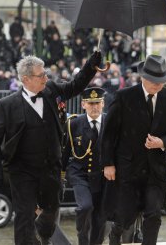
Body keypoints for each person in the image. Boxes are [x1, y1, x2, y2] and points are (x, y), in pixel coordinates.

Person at [0, 51, 102, 245]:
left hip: (51, 169)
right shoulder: (6, 105)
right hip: (21, 171)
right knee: (23, 218)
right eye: (41, 75)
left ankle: (42, 236)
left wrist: (91, 65)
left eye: (45, 74)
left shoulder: (51, 91)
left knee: (50, 215)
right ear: (26, 79)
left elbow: (75, 85)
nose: (46, 78)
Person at [100, 54, 166, 245]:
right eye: (154, 81)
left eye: (162, 81)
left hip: (156, 168)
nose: (158, 85)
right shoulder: (123, 96)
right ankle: (115, 236)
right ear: (143, 78)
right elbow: (109, 133)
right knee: (124, 216)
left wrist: (162, 142)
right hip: (127, 168)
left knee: (153, 215)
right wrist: (108, 164)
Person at [62, 87, 106, 245]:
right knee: (85, 207)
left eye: (97, 103)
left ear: (103, 104)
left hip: (102, 176)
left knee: (101, 217)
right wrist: (61, 175)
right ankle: (82, 239)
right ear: (83, 105)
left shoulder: (110, 121)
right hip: (80, 174)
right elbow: (66, 151)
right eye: (90, 103)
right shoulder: (74, 123)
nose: (94, 107)